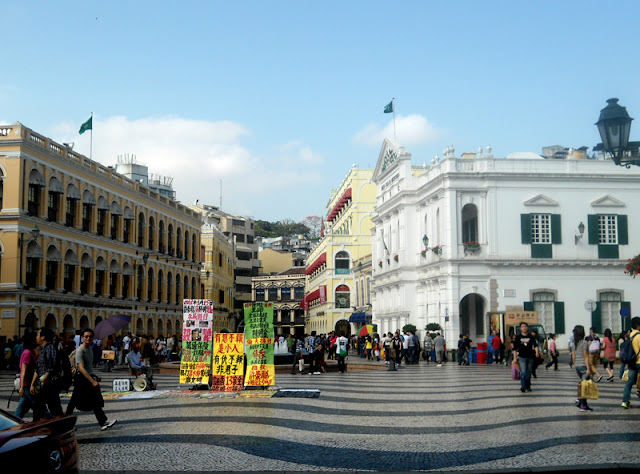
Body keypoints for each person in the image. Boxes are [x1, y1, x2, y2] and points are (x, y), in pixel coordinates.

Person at [66, 328, 117, 430]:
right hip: (81, 379)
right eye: (86, 336)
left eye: (90, 336)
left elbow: (89, 367)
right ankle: (67, 424)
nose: (88, 338)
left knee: (93, 401)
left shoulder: (90, 349)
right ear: (82, 338)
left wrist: (94, 376)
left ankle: (103, 422)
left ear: (93, 338)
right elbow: (81, 368)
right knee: (74, 402)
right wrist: (92, 381)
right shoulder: (80, 351)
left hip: (87, 377)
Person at [15, 332, 38, 419]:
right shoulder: (27, 353)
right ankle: (46, 417)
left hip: (28, 383)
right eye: (35, 339)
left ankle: (15, 421)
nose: (36, 340)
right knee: (37, 404)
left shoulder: (29, 352)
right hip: (27, 384)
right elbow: (23, 371)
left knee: (22, 406)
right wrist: (22, 387)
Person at [513, 322, 539, 393]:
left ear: (527, 328)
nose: (524, 328)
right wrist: (514, 358)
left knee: (529, 372)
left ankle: (528, 386)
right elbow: (515, 349)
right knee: (523, 372)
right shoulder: (518, 337)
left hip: (530, 357)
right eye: (523, 326)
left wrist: (537, 352)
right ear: (521, 328)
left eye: (525, 326)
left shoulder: (531, 336)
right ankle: (523, 386)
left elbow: (535, 345)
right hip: (522, 357)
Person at [572, 325, 593, 411]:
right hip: (584, 366)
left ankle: (584, 404)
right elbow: (586, 356)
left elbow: (573, 357)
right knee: (585, 387)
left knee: (584, 385)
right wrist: (588, 368)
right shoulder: (584, 343)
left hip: (577, 366)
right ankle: (580, 401)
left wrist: (575, 367)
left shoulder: (574, 344)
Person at [621, 316, 640, 409]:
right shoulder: (639, 336)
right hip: (639, 361)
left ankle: (625, 401)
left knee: (630, 382)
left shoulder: (629, 336)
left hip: (631, 362)